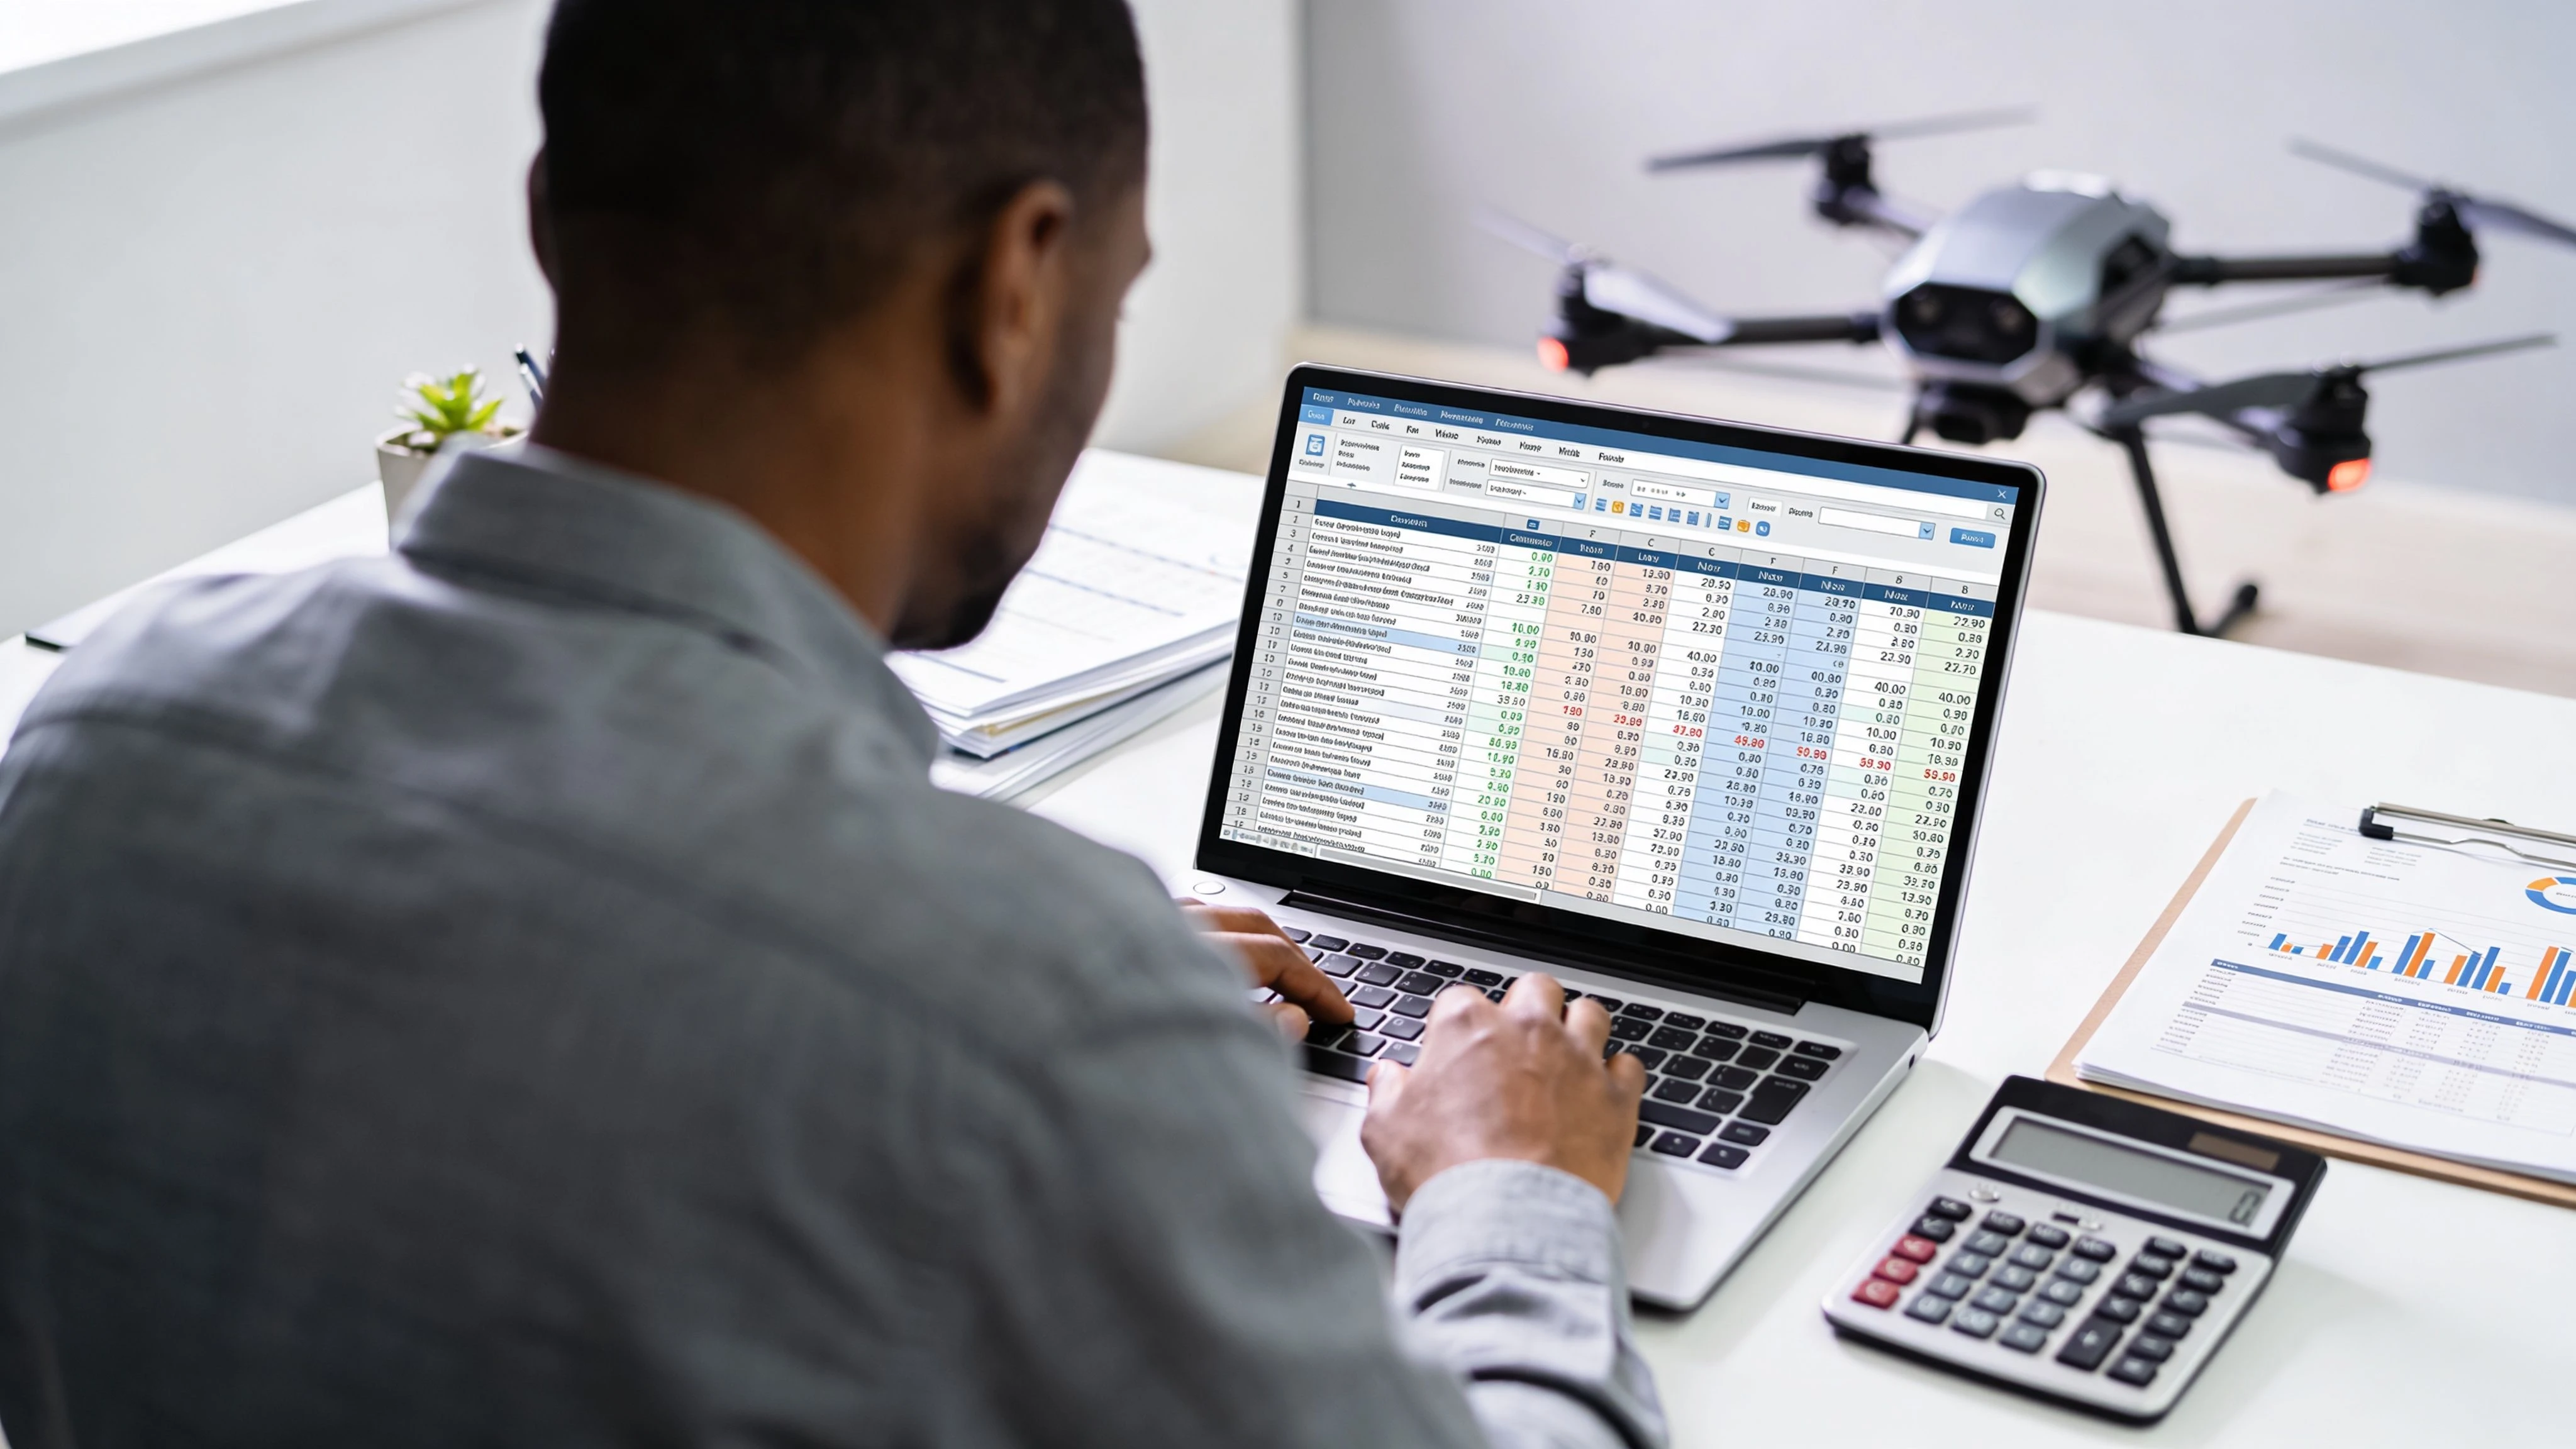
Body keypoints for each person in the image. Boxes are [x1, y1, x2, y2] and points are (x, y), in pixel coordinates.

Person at [0, 3, 1663, 1445]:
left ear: (550, 222)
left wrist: (985, 981)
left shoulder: (91, 751)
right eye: (1118, 294)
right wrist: (1506, 1188)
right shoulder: (1028, 1017)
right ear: (1017, 282)